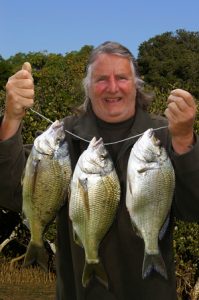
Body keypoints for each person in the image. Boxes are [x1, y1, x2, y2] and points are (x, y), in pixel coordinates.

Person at [0, 41, 199, 300]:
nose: (113, 87)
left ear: (136, 84)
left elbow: (194, 208)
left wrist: (184, 139)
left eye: (122, 77)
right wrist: (11, 119)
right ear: (88, 87)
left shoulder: (164, 134)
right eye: (102, 79)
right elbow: (9, 192)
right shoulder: (63, 137)